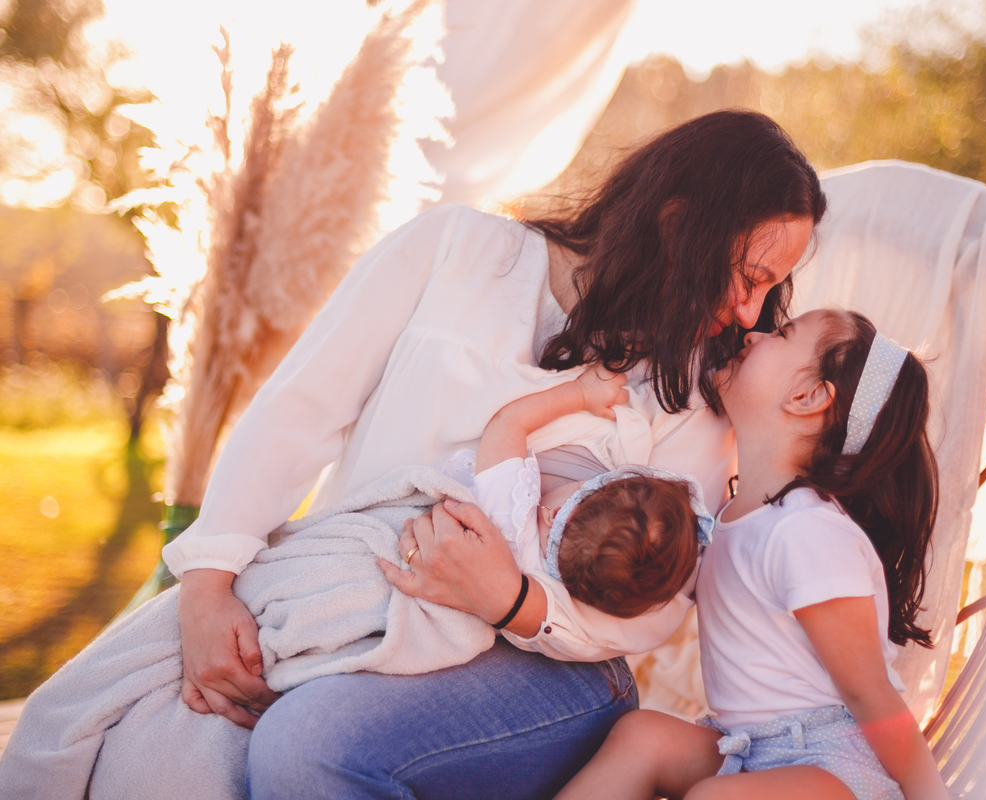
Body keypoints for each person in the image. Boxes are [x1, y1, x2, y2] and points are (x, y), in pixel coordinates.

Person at [166, 109, 826, 800]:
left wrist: (508, 599)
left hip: (549, 664)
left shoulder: (690, 387)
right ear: (676, 222)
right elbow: (299, 410)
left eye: (768, 287)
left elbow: (655, 605)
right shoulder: (454, 246)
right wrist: (208, 586)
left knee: (308, 746)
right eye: (747, 276)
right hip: (355, 604)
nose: (752, 312)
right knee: (150, 746)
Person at [554, 309, 950, 800]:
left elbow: (870, 693)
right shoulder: (725, 517)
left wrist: (929, 795)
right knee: (644, 737)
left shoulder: (808, 531)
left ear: (806, 397)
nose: (755, 333)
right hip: (748, 752)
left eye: (782, 334)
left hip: (837, 770)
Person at [387, 363, 716, 622]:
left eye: (590, 484)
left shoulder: (507, 518)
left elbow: (508, 423)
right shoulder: (557, 587)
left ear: (559, 514)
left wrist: (581, 393)